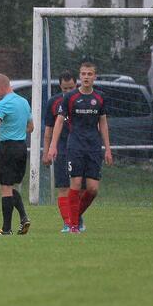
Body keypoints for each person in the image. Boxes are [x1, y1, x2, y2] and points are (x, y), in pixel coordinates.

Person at [48, 62, 114, 234]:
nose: (86, 77)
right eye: (83, 74)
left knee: (92, 189)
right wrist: (52, 146)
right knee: (75, 184)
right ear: (80, 77)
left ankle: (74, 217)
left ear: (95, 77)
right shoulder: (70, 97)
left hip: (93, 147)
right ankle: (73, 225)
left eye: (89, 74)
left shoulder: (100, 97)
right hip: (75, 146)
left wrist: (107, 148)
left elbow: (103, 123)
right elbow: (59, 121)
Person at [0, 74, 33, 235]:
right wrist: (16, 130)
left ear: (1, 86)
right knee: (9, 186)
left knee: (5, 188)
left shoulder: (2, 104)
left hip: (8, 148)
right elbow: (31, 127)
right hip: (22, 148)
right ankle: (23, 218)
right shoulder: (23, 102)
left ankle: (6, 229)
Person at [42, 70, 78, 232]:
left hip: (80, 149)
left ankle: (76, 219)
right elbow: (48, 130)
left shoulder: (83, 101)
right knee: (63, 187)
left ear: (76, 85)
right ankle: (67, 223)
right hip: (62, 150)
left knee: (80, 188)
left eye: (71, 88)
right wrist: (46, 151)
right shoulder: (54, 103)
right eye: (65, 89)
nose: (68, 92)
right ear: (60, 87)